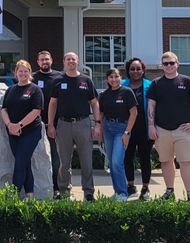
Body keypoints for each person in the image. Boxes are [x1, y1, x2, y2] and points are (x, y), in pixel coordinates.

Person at [147, 51, 190, 201]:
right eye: (166, 63)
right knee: (166, 161)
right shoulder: (156, 83)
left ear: (177, 64)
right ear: (162, 66)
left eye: (172, 63)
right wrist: (151, 126)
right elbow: (151, 105)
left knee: (185, 161)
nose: (169, 66)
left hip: (182, 129)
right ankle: (169, 191)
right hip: (161, 129)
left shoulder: (186, 81)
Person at [46, 51, 101, 201]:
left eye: (73, 59)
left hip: (83, 124)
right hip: (63, 124)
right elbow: (52, 104)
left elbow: (94, 103)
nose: (71, 61)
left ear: (78, 61)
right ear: (64, 62)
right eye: (68, 59)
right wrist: (51, 124)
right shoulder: (58, 80)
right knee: (64, 162)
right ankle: (64, 191)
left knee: (86, 160)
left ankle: (88, 192)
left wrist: (97, 124)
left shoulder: (86, 80)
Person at [0, 59, 44, 199]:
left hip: (30, 132)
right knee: (24, 163)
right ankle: (30, 194)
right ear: (16, 72)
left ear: (30, 73)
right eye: (21, 71)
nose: (23, 73)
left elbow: (36, 111)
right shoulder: (11, 90)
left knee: (19, 163)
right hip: (13, 133)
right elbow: (4, 109)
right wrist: (10, 125)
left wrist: (19, 125)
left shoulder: (35, 90)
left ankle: (13, 196)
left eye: (26, 71)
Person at [97, 66, 138, 201]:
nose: (114, 79)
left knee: (116, 162)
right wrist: (101, 134)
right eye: (111, 77)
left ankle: (122, 192)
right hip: (108, 128)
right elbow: (102, 115)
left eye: (116, 76)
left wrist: (127, 132)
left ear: (121, 77)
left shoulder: (127, 92)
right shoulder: (103, 95)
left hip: (122, 128)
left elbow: (134, 113)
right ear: (107, 79)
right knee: (111, 162)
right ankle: (117, 191)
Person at [32, 49, 63, 198]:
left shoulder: (60, 77)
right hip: (36, 125)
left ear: (51, 61)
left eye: (47, 59)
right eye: (41, 59)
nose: (44, 62)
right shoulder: (32, 78)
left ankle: (56, 187)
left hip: (56, 126)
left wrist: (53, 124)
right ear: (37, 63)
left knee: (56, 158)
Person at [124, 57, 154, 200]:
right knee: (127, 157)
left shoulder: (150, 85)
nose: (135, 72)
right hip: (127, 130)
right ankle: (130, 186)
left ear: (143, 70)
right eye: (132, 69)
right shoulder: (122, 85)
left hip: (144, 129)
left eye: (138, 69)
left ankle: (145, 188)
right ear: (128, 71)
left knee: (144, 158)